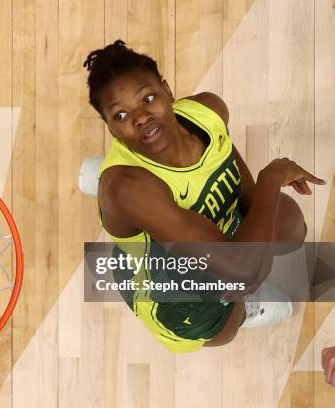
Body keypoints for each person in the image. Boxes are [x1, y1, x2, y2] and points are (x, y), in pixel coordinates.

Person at [83, 40, 326, 353]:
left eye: (148, 98)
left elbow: (246, 195)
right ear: (110, 129)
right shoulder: (129, 189)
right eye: (119, 116)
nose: (140, 117)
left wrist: (252, 263)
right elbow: (245, 270)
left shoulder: (208, 111)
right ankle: (110, 185)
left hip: (205, 229)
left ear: (168, 91)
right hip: (164, 281)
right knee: (224, 327)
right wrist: (273, 176)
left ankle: (107, 183)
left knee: (291, 228)